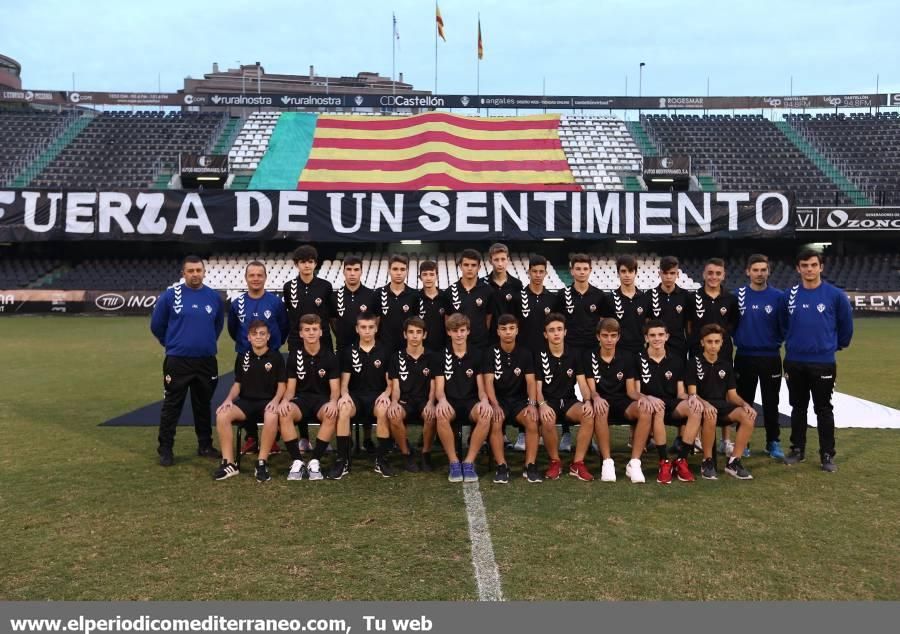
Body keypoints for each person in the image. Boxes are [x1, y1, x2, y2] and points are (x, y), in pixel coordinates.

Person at [781, 249, 853, 473]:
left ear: (821, 267)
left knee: (823, 409)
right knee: (798, 407)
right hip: (794, 361)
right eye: (805, 265)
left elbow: (846, 327)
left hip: (823, 362)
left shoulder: (835, 295)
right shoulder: (789, 295)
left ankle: (827, 454)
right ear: (798, 268)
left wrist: (832, 346)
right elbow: (782, 325)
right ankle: (797, 449)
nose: (809, 269)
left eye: (813, 265)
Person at [150, 255, 225, 466]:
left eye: (198, 270)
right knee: (172, 405)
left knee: (203, 405)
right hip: (178, 361)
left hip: (206, 361)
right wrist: (173, 344)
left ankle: (205, 445)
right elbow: (157, 325)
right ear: (183, 273)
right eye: (190, 271)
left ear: (204, 272)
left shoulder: (213, 297)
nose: (195, 274)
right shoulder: (170, 295)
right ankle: (165, 449)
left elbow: (217, 326)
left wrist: (204, 343)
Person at [265, 314, 340, 481]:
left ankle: (315, 461)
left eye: (314, 329)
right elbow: (291, 388)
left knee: (331, 413)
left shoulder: (330, 356)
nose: (311, 333)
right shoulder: (294, 356)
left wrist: (333, 402)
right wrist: (285, 400)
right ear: (301, 334)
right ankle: (297, 461)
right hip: (301, 400)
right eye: (307, 330)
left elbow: (335, 389)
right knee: (284, 412)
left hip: (322, 401)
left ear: (321, 332)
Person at [227, 261, 289, 456]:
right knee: (247, 396)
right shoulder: (237, 303)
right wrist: (247, 345)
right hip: (247, 356)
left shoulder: (275, 302)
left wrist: (273, 347)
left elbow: (284, 326)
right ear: (246, 278)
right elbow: (232, 329)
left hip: (271, 357)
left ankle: (272, 440)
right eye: (251, 275)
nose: (255, 278)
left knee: (271, 397)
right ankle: (251, 437)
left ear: (265, 277)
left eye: (259, 275)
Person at [212, 320, 287, 481]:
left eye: (262, 334)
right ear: (249, 337)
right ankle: (229, 463)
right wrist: (228, 400)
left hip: (267, 402)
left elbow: (282, 385)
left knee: (272, 416)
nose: (258, 337)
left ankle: (261, 462)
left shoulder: (276, 357)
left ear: (268, 337)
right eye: (254, 334)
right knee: (222, 414)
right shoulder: (242, 356)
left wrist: (275, 401)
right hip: (246, 403)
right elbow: (237, 384)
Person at [632, 320, 703, 484]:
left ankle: (681, 460)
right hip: (650, 404)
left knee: (695, 409)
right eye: (652, 335)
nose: (657, 338)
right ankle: (664, 461)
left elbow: (680, 393)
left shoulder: (676, 359)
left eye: (660, 335)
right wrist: (647, 398)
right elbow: (636, 391)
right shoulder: (638, 358)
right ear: (646, 338)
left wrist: (692, 398)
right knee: (658, 408)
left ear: (667, 337)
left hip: (672, 403)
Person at [553, 253, 610, 452]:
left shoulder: (599, 296)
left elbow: (604, 322)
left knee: (593, 390)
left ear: (590, 270)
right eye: (578, 269)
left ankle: (591, 437)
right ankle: (567, 434)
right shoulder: (562, 295)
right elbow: (557, 321)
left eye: (585, 269)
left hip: (592, 351)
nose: (581, 272)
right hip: (569, 351)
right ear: (572, 271)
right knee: (566, 390)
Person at [582, 319, 650, 483]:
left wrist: (645, 398)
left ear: (619, 337)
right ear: (598, 337)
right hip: (601, 400)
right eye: (605, 336)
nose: (609, 340)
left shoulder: (627, 356)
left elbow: (631, 391)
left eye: (613, 336)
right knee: (601, 408)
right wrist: (596, 398)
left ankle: (634, 463)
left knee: (646, 410)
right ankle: (607, 461)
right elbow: (591, 389)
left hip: (622, 401)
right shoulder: (589, 356)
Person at [686, 324, 758, 480]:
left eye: (716, 341)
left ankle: (734, 461)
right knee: (711, 414)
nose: (713, 345)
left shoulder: (726, 365)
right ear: (702, 343)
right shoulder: (693, 362)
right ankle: (707, 461)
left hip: (722, 406)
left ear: (721, 343)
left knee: (748, 416)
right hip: (703, 406)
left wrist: (745, 405)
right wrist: (706, 404)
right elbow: (692, 393)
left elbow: (732, 395)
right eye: (709, 341)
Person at [733, 254, 786, 460]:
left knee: (771, 402)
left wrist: (772, 341)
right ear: (748, 272)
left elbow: (784, 326)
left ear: (768, 271)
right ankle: (742, 442)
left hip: (770, 357)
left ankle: (773, 442)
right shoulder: (738, 295)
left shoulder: (778, 297)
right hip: (745, 356)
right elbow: (731, 325)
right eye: (755, 270)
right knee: (743, 402)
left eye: (763, 269)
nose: (759, 273)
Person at [282, 244, 333, 451]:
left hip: (324, 341)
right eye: (303, 262)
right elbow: (289, 317)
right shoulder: (289, 287)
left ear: (315, 263)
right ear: (297, 264)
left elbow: (331, 317)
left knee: (325, 385)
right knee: (301, 388)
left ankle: (325, 435)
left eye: (310, 261)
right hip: (297, 342)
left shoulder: (325, 286)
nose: (307, 265)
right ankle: (303, 437)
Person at [534, 313, 595, 481]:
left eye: (559, 329)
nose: (556, 333)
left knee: (588, 415)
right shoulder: (539, 355)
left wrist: (588, 401)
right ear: (545, 334)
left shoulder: (575, 354)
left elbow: (582, 383)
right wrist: (542, 404)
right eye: (552, 330)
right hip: (548, 401)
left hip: (569, 401)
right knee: (547, 418)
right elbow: (536, 387)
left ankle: (578, 463)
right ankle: (555, 461)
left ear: (565, 332)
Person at [433, 313, 493, 482]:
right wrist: (442, 400)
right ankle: (454, 462)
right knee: (441, 414)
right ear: (449, 332)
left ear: (468, 332)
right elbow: (439, 389)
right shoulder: (440, 356)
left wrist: (484, 401)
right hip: (450, 401)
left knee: (485, 414)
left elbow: (481, 388)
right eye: (454, 330)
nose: (459, 334)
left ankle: (468, 462)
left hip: (470, 402)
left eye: (462, 330)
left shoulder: (477, 354)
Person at [330, 254, 378, 453]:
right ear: (343, 271)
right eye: (348, 270)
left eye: (356, 269)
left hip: (366, 350)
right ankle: (346, 437)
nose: (352, 273)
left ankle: (367, 438)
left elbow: (376, 321)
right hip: (343, 350)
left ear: (361, 271)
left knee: (367, 388)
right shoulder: (336, 296)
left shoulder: (371, 295)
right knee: (347, 393)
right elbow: (333, 321)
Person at [482, 314, 539, 483]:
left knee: (532, 420)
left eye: (511, 328)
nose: (508, 332)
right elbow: (488, 382)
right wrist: (494, 404)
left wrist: (532, 404)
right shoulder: (490, 352)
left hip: (519, 402)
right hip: (498, 400)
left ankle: (530, 465)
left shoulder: (525, 353)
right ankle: (502, 466)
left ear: (517, 331)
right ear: (498, 331)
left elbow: (530, 382)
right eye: (504, 329)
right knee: (496, 420)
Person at [336, 313, 393, 478]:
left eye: (370, 327)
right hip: (356, 397)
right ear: (357, 329)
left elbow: (390, 383)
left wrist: (386, 394)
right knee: (344, 409)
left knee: (383, 409)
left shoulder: (385, 350)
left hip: (377, 397)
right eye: (363, 327)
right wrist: (344, 395)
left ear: (376, 328)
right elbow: (344, 383)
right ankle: (343, 461)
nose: (367, 331)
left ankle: (381, 460)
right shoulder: (349, 351)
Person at [510, 255, 555, 451]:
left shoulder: (552, 298)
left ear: (546, 273)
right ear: (528, 272)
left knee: (547, 391)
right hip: (524, 353)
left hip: (545, 354)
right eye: (534, 271)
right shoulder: (518, 297)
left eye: (541, 272)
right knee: (524, 393)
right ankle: (523, 433)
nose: (537, 275)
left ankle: (553, 433)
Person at [387, 317, 437, 473]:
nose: (415, 336)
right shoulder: (396, 357)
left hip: (424, 400)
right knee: (393, 415)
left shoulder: (432, 357)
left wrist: (430, 403)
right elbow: (395, 386)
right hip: (405, 400)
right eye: (411, 332)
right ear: (405, 335)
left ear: (424, 335)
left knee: (432, 415)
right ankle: (406, 454)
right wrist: (394, 402)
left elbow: (434, 385)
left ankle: (425, 454)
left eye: (418, 332)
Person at [446, 249, 497, 351]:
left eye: (473, 265)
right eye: (466, 265)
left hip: (480, 345)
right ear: (460, 266)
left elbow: (488, 318)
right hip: (457, 346)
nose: (470, 268)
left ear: (479, 267)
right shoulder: (450, 291)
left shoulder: (488, 291)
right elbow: (447, 319)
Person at [645, 255, 691, 360]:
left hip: (678, 348)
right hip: (655, 348)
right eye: (665, 273)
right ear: (659, 274)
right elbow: (646, 323)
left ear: (677, 274)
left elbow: (688, 325)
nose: (668, 277)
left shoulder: (686, 296)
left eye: (672, 273)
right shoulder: (649, 296)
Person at [376, 254, 422, 353]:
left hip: (407, 349)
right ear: (389, 271)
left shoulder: (414, 295)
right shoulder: (379, 293)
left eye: (402, 269)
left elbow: (417, 323)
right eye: (395, 269)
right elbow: (375, 322)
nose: (398, 273)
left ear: (407, 271)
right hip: (384, 349)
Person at [609, 255, 647, 355]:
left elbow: (648, 323)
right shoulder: (609, 299)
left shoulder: (645, 298)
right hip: (618, 351)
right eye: (623, 271)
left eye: (630, 271)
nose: (627, 275)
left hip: (640, 350)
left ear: (635, 273)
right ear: (618, 273)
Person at [482, 243, 523, 317]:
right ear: (490, 261)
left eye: (503, 259)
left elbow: (518, 312)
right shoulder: (482, 283)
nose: (500, 264)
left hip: (509, 328)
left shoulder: (517, 284)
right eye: (496, 260)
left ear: (508, 260)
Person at [418, 260, 449, 354]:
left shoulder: (446, 297)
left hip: (443, 348)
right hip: (421, 349)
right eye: (425, 274)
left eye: (432, 274)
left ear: (437, 276)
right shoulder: (415, 298)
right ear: (420, 277)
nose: (428, 278)